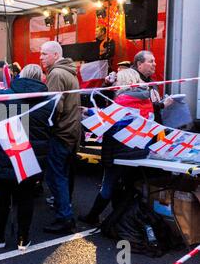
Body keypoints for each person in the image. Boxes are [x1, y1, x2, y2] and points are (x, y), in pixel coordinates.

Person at [0, 64, 54, 250]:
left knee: (2, 198)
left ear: (22, 76)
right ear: (40, 78)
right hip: (32, 158)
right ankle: (23, 238)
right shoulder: (49, 101)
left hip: (7, 154)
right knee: (26, 198)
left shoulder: (5, 96)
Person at [79, 69, 153, 224]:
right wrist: (93, 111)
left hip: (120, 151)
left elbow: (113, 122)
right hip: (140, 149)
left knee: (108, 185)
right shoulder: (146, 99)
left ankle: (93, 216)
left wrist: (90, 114)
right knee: (126, 185)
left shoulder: (123, 99)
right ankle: (121, 218)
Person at [40, 41, 81, 234]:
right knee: (62, 175)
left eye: (44, 54)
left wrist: (44, 126)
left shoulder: (56, 74)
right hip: (71, 131)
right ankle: (64, 212)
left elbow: (54, 107)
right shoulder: (70, 72)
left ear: (56, 55)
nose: (41, 57)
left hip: (61, 132)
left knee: (56, 177)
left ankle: (64, 217)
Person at [132, 51, 173, 124]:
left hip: (155, 127)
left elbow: (153, 102)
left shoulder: (151, 81)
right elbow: (139, 105)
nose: (155, 64)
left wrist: (164, 101)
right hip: (140, 128)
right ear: (139, 64)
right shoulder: (132, 81)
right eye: (151, 61)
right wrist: (162, 105)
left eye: (154, 61)